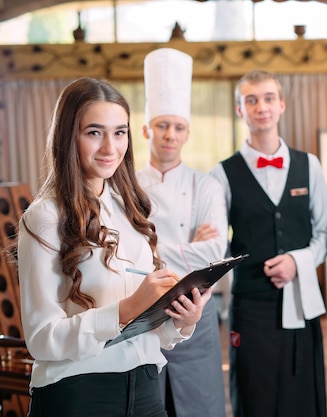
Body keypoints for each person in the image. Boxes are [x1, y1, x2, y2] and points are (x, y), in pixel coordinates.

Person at [17, 77, 211, 417]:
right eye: (94, 132)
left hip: (147, 387)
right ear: (68, 137)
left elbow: (148, 326)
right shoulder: (44, 217)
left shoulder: (131, 208)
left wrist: (181, 319)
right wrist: (125, 309)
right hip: (78, 392)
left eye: (119, 132)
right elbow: (42, 338)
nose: (110, 147)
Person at [210, 69, 327, 417]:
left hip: (302, 298)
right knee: (254, 393)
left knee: (302, 391)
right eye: (251, 100)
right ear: (239, 110)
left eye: (267, 98)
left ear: (281, 105)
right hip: (250, 307)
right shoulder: (222, 174)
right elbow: (218, 244)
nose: (260, 107)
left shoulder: (310, 165)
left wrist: (299, 261)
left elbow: (324, 231)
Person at [136, 48, 227, 417]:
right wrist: (191, 249)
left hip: (197, 314)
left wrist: (151, 250)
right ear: (146, 129)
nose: (170, 135)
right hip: (142, 318)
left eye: (178, 127)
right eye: (162, 125)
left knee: (200, 408)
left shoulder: (207, 186)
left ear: (188, 132)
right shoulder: (126, 186)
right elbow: (121, 255)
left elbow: (217, 253)